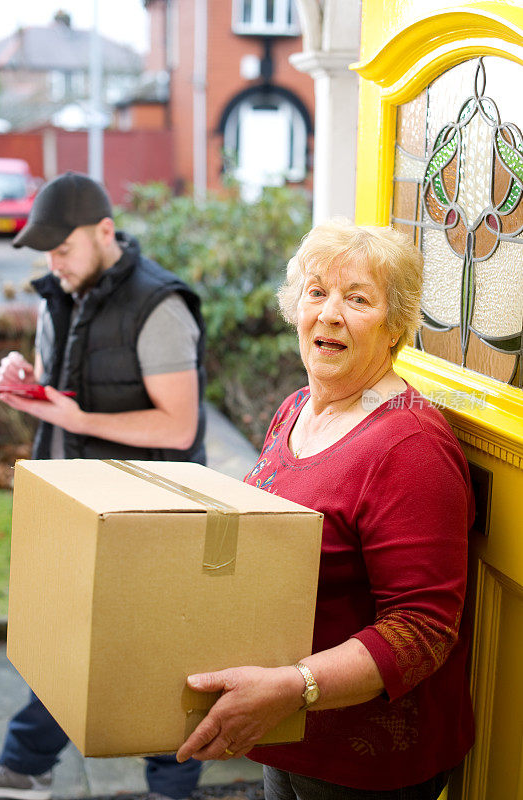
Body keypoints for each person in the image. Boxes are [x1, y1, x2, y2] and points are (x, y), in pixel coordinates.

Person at [174, 219, 475, 800]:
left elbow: (423, 629)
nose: (331, 313)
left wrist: (294, 686)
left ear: (394, 328)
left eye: (358, 299)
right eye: (317, 293)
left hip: (363, 763)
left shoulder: (410, 445)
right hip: (282, 729)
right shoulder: (294, 410)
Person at [0, 172, 205, 800]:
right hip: (74, 499)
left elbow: (179, 424)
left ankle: (172, 789)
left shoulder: (159, 305)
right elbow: (63, 387)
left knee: (158, 656)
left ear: (105, 232)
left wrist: (78, 418)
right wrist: (28, 378)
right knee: (64, 638)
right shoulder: (62, 292)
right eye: (46, 252)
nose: (54, 263)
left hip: (146, 510)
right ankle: (26, 765)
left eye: (64, 248)